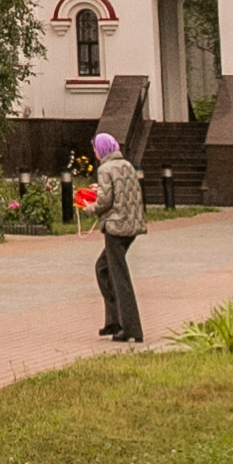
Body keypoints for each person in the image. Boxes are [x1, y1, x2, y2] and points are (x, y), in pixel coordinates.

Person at [90, 131, 146, 342]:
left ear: (101, 150)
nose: (95, 152)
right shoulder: (127, 166)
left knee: (119, 276)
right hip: (131, 227)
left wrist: (89, 208)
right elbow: (123, 192)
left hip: (115, 228)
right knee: (103, 268)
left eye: (96, 148)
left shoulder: (105, 169)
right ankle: (114, 320)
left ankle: (131, 328)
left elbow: (105, 202)